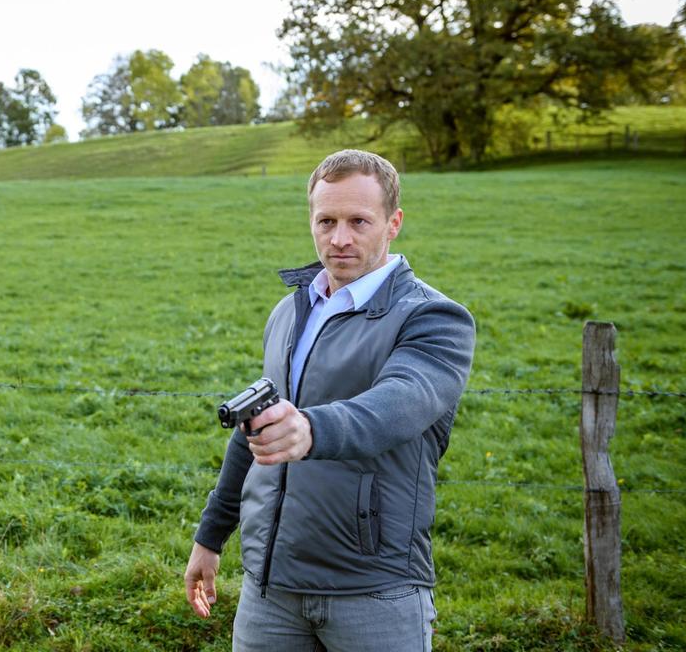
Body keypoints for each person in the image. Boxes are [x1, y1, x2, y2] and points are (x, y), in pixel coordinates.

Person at [183, 150, 475, 651]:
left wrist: (310, 430)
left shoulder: (434, 318)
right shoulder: (290, 310)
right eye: (327, 221)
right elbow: (256, 432)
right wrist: (211, 536)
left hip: (374, 590)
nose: (340, 238)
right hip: (269, 590)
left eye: (359, 221)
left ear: (393, 223)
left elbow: (399, 403)